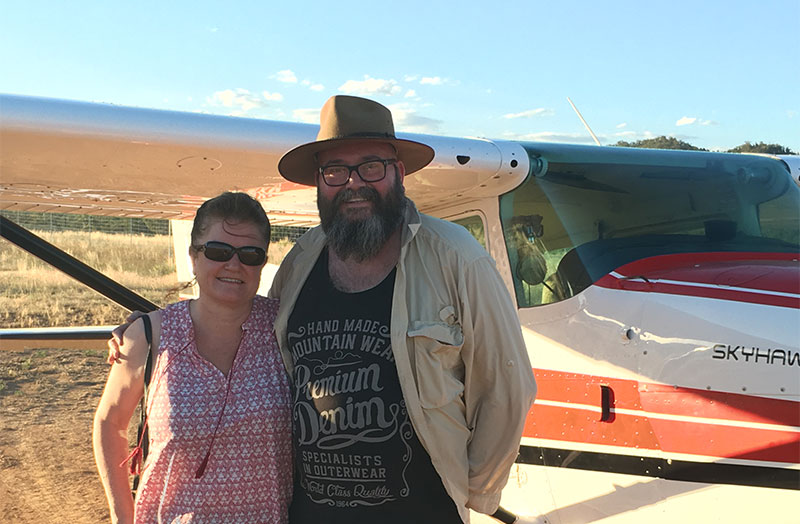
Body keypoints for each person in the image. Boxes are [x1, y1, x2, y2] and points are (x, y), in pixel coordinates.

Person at [271, 95, 536, 523]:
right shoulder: (299, 261)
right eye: (335, 170)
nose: (353, 183)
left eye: (371, 167)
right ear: (319, 182)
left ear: (399, 172)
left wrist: (469, 490)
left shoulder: (457, 257)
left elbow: (506, 387)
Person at [94, 192, 292, 524]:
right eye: (218, 251)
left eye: (250, 254)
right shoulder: (151, 335)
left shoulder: (286, 327)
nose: (234, 265)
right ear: (194, 256)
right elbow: (110, 422)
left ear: (263, 262)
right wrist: (122, 516)